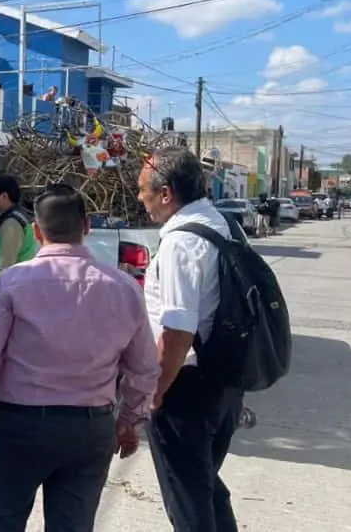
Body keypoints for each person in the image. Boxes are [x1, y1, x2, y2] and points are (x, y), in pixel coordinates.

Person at [0, 184, 160, 531]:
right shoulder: (123, 288)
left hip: (19, 427)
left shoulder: (12, 283)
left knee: (1, 524)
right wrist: (129, 421)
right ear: (87, 226)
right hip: (89, 430)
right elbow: (144, 369)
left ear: (36, 231)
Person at [136, 147, 245, 532]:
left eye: (143, 189)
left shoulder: (181, 243)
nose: (140, 198)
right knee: (205, 488)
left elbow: (178, 331)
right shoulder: (222, 225)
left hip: (185, 390)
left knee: (188, 503)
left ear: (166, 193)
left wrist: (154, 392)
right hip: (225, 382)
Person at [0, 174, 38, 289]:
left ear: (4, 196)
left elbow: (6, 264)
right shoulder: (14, 217)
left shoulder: (11, 223)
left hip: (8, 287)